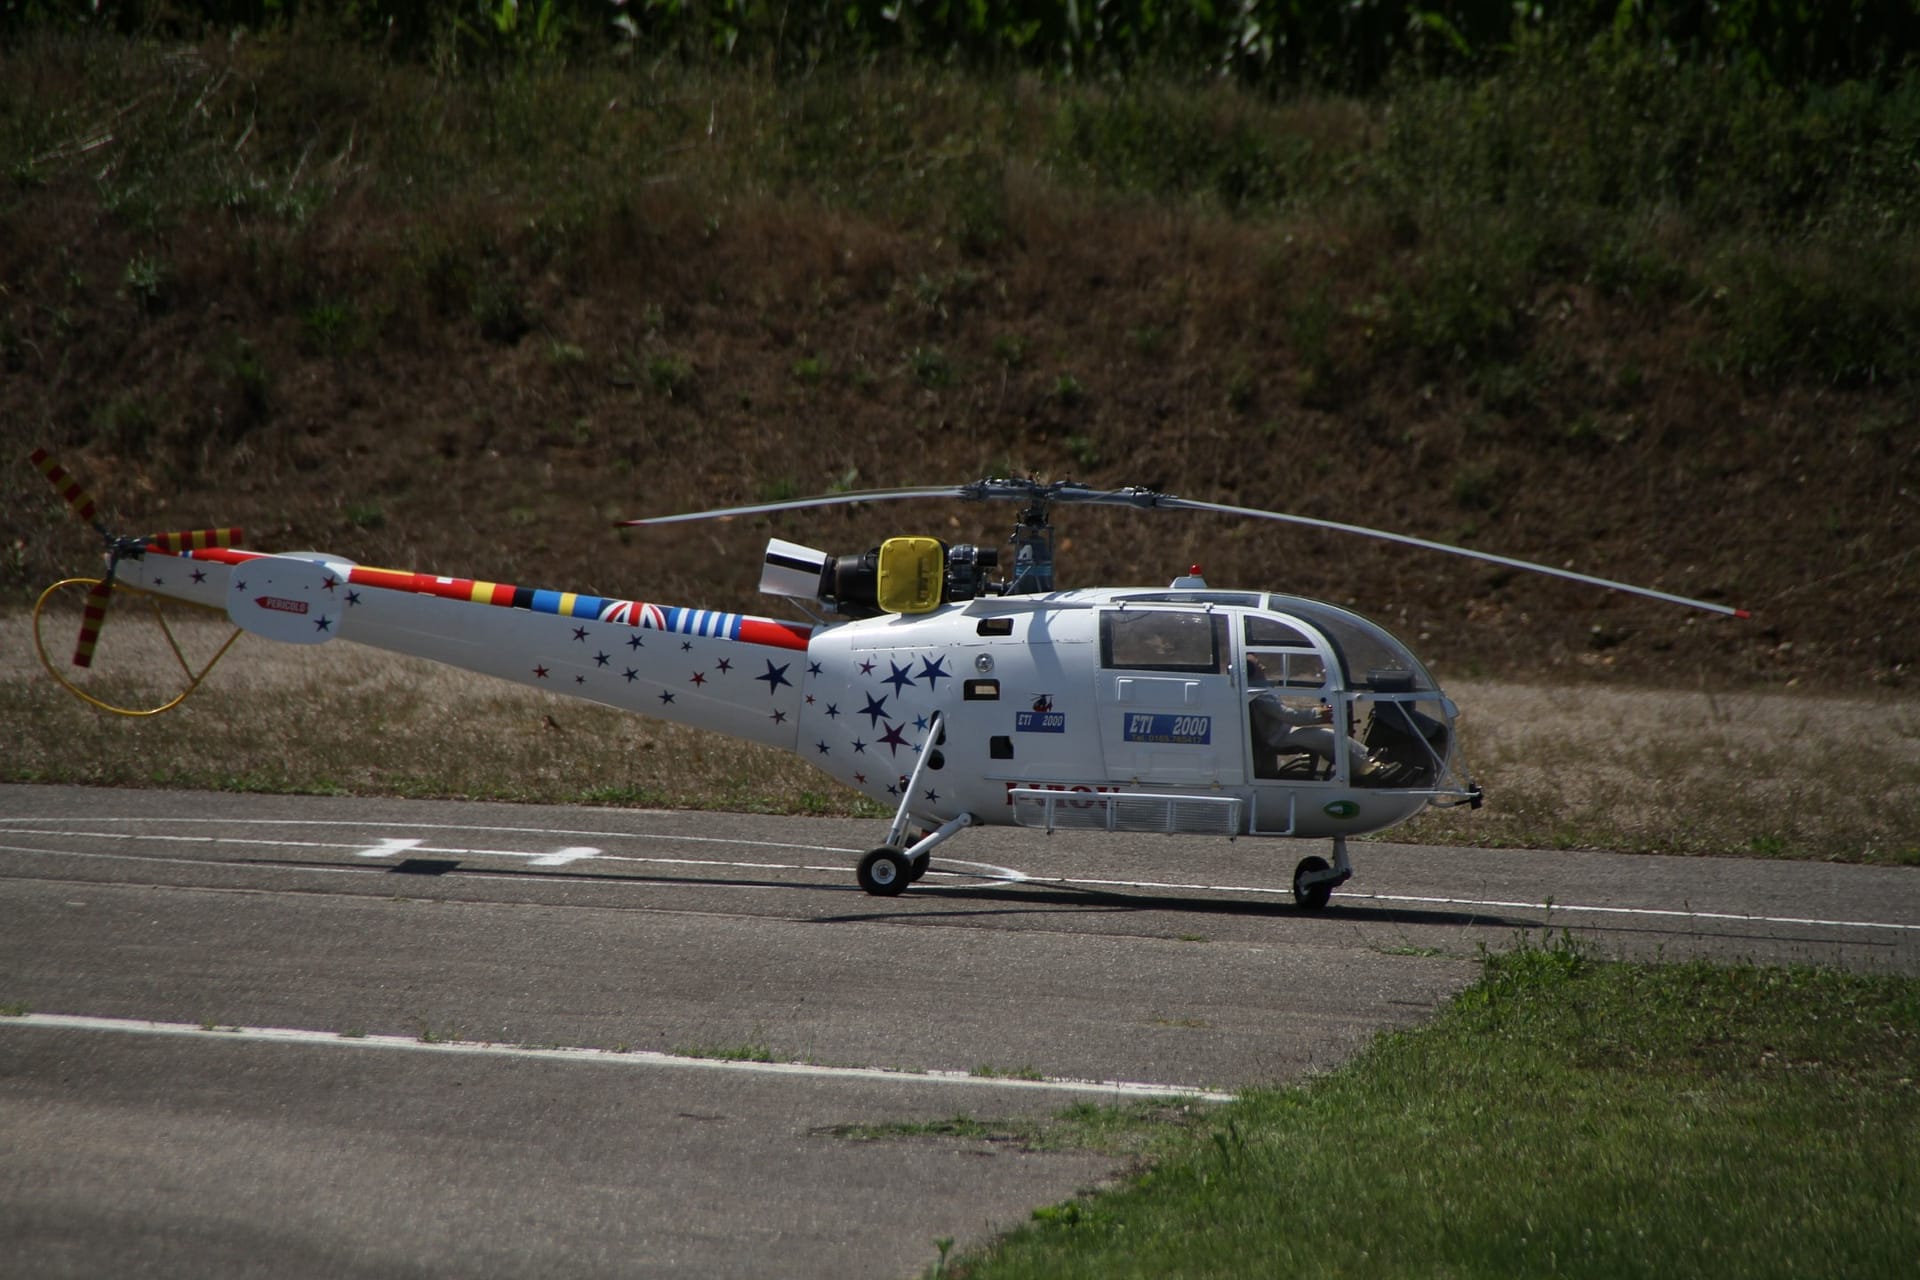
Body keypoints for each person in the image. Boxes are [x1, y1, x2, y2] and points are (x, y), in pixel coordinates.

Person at [1246, 656, 1376, 779]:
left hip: (1283, 731)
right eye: (1258, 665)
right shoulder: (1259, 696)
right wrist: (1318, 714)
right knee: (1328, 738)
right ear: (1249, 670)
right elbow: (1289, 715)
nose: (1263, 667)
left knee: (1329, 736)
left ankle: (1365, 762)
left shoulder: (1259, 692)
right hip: (1278, 737)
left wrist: (1318, 711)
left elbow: (1286, 711)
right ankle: (1365, 769)